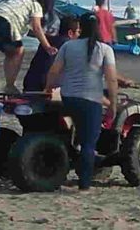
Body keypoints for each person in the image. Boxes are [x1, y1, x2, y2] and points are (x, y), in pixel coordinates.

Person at [44, 13, 118, 191]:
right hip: (91, 101)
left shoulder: (69, 46)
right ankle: (84, 185)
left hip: (68, 98)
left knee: (76, 132)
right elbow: (111, 80)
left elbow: (54, 71)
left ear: (81, 27)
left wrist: (48, 88)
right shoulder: (104, 49)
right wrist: (113, 105)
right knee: (88, 144)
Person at [0, 0, 57, 94]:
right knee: (19, 51)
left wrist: (46, 36)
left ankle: (9, 84)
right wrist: (47, 46)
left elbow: (30, 30)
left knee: (11, 53)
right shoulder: (35, 4)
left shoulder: (18, 1)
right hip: (5, 20)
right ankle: (10, 85)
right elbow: (37, 28)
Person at [23, 15, 80, 92]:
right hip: (47, 88)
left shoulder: (48, 41)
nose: (79, 36)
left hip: (30, 84)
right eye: (78, 32)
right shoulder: (68, 46)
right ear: (70, 33)